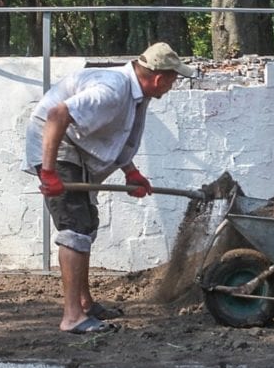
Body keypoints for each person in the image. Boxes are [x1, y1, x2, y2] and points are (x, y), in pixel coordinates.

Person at [24, 42, 198, 334]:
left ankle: (84, 303)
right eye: (173, 78)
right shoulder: (114, 89)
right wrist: (50, 172)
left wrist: (131, 172)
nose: (172, 85)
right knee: (75, 227)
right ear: (159, 77)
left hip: (76, 150)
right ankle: (72, 317)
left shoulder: (135, 96)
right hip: (58, 149)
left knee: (87, 225)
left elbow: (113, 137)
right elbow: (56, 115)